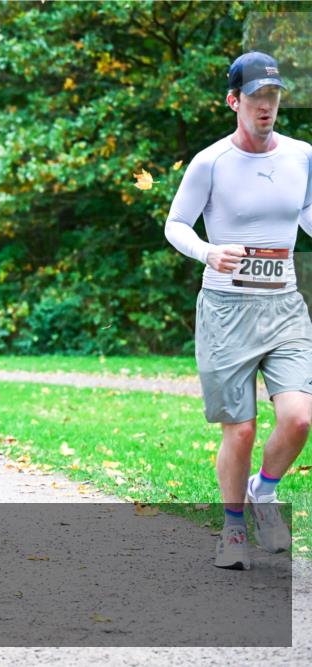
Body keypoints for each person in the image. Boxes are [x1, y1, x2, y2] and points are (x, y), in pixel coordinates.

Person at [164, 52, 312, 571]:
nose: (266, 107)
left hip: (285, 306)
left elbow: (309, 213)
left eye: (273, 97)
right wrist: (208, 251)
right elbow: (176, 224)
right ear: (234, 101)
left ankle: (263, 492)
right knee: (241, 429)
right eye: (256, 98)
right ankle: (231, 528)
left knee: (299, 418)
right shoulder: (211, 162)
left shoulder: (302, 156)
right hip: (227, 307)